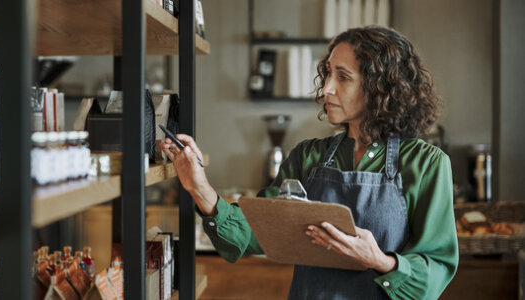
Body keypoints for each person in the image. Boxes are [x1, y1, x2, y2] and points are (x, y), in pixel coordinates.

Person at [161, 26, 457, 299]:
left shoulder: (426, 164)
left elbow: (435, 270)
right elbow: (257, 232)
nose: (326, 88)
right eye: (328, 73)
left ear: (380, 87)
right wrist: (199, 186)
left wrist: (378, 260)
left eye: (342, 77)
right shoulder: (308, 157)